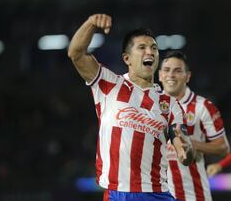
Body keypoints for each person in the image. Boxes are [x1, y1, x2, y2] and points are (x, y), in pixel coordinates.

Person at [68, 14, 194, 201]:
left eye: (154, 48)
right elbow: (76, 53)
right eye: (142, 48)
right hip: (116, 193)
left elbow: (183, 149)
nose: (150, 52)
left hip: (156, 193)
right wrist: (91, 24)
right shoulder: (109, 84)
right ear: (127, 58)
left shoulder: (170, 104)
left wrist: (186, 151)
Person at [159, 50, 230, 200]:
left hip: (192, 195)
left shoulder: (203, 106)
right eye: (166, 70)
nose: (171, 75)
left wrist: (191, 144)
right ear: (159, 75)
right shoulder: (150, 106)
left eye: (177, 71)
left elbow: (223, 148)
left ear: (187, 76)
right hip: (157, 194)